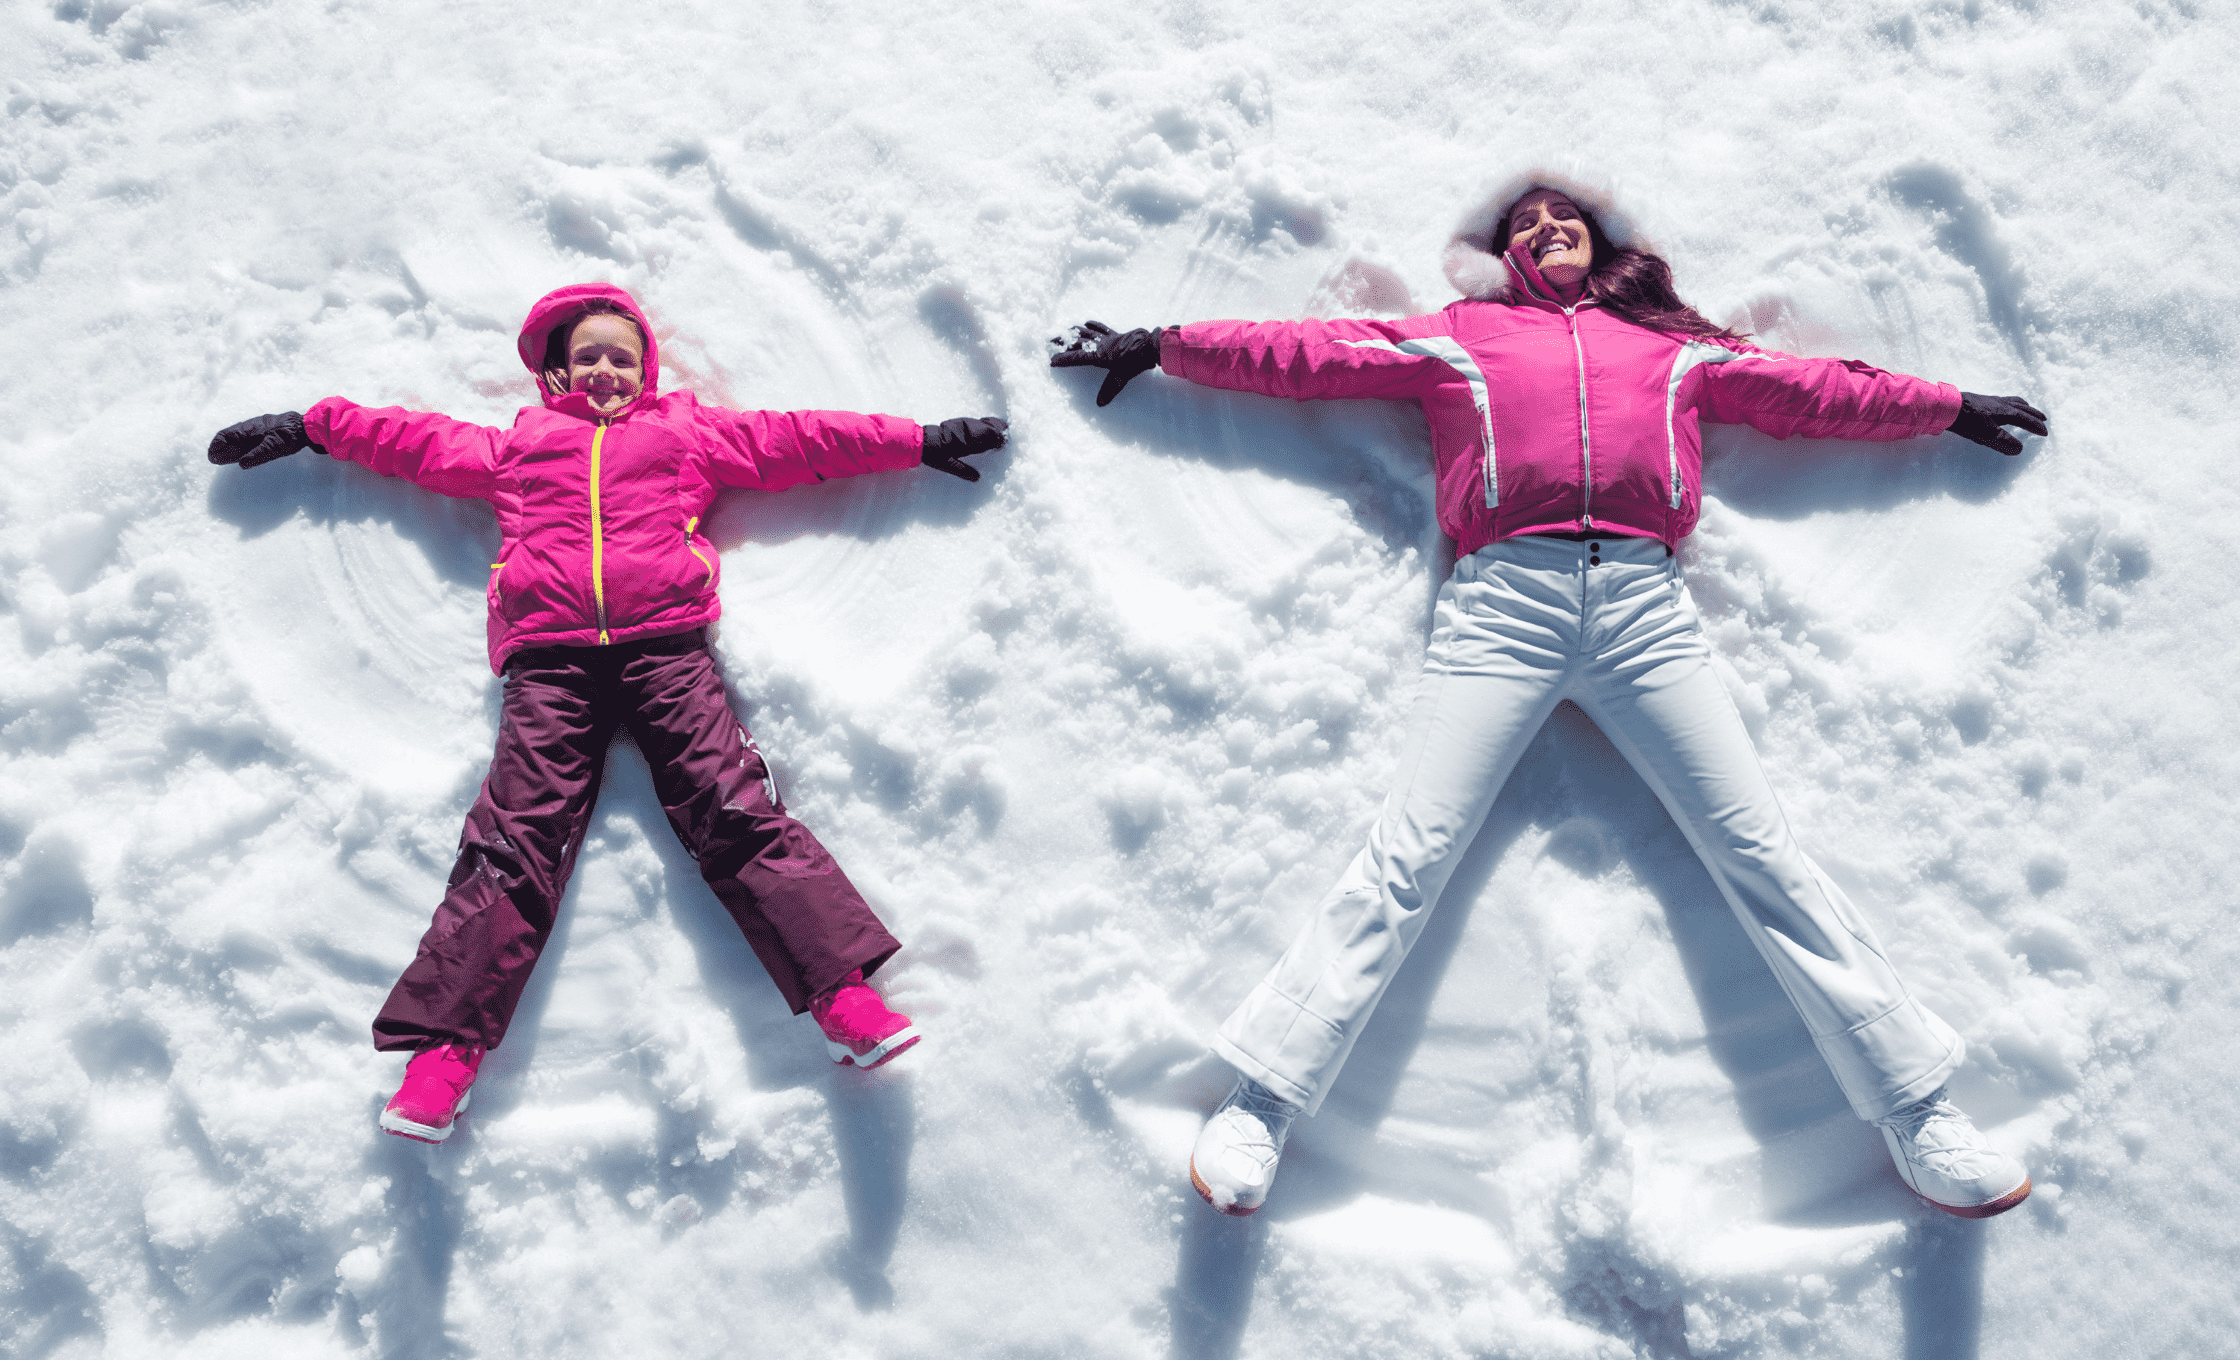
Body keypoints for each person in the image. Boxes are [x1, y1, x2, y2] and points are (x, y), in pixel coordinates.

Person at [1052, 171, 2049, 1219]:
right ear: (1504, 255)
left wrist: (1945, 406)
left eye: (1560, 214)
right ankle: (1260, 1100)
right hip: (1502, 607)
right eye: (1522, 221)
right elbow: (1309, 356)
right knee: (1408, 855)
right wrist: (1160, 343)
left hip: (1643, 609)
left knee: (1755, 849)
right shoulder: (1461, 336)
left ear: (1598, 237)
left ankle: (1915, 1108)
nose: (1545, 225)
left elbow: (1811, 391)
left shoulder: (1669, 347)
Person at [209, 283, 1008, 1143]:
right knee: (515, 840)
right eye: (587, 355)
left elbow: (798, 441)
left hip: (667, 650)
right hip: (549, 665)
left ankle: (845, 1000)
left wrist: (917, 442)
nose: (605, 370)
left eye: (622, 358)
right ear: (556, 371)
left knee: (732, 809)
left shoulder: (684, 435)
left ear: (646, 370)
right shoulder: (519, 448)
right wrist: (313, 424)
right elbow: (414, 442)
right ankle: (442, 1059)